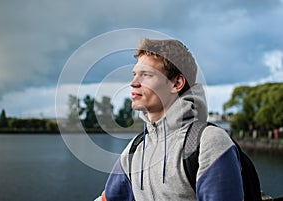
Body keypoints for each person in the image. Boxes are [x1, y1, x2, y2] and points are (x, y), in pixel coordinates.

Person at [95, 38, 244, 200]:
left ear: (177, 83)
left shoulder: (209, 142)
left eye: (146, 75)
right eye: (134, 74)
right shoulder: (135, 149)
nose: (133, 83)